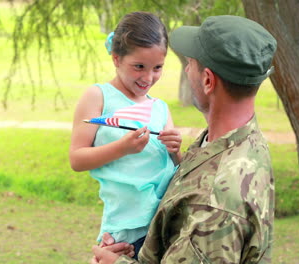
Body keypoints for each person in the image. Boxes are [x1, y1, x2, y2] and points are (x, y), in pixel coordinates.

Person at [91, 15, 277, 264]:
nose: (187, 70)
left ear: (208, 80)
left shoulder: (214, 203)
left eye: (190, 64)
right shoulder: (242, 141)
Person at [69, 11, 182, 260]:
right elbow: (77, 159)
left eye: (157, 68)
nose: (148, 77)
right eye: (139, 67)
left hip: (165, 224)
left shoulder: (159, 108)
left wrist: (176, 151)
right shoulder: (98, 97)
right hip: (126, 230)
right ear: (116, 59)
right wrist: (122, 147)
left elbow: (177, 171)